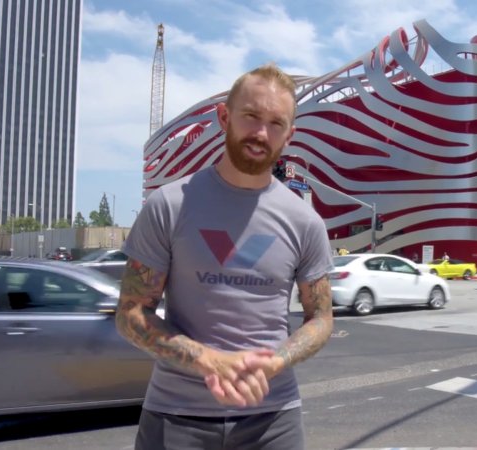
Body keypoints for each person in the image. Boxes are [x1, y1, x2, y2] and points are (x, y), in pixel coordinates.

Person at [116, 63, 334, 450]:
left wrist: (276, 361)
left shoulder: (305, 221)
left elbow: (320, 319)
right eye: (251, 116)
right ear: (224, 117)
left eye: (275, 123)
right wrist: (209, 361)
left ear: (289, 135)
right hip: (175, 416)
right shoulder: (169, 205)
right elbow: (131, 314)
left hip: (273, 421)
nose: (261, 133)